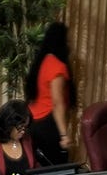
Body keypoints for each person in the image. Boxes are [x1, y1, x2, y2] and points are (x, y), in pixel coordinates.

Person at [25, 22, 75, 165]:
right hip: (47, 124)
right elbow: (57, 103)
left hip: (33, 121)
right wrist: (64, 135)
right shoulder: (57, 66)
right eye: (68, 40)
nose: (70, 45)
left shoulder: (44, 61)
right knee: (57, 170)